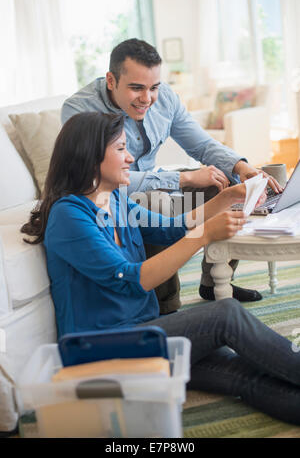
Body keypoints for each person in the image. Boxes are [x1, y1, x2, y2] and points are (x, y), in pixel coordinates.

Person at [22, 112, 300, 426]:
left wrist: (229, 196)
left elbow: (171, 229)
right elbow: (133, 280)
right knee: (226, 315)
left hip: (145, 333)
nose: (130, 158)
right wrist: (205, 234)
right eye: (120, 149)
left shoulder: (114, 200)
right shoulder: (69, 216)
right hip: (101, 351)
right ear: (90, 156)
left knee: (244, 375)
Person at [61, 39, 282, 312]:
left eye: (154, 87)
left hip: (153, 180)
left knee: (225, 182)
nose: (148, 98)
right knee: (152, 202)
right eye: (136, 88)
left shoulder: (163, 98)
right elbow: (98, 181)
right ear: (111, 80)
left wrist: (241, 167)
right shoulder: (80, 111)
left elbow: (201, 144)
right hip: (116, 192)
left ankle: (214, 282)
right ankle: (165, 305)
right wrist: (183, 179)